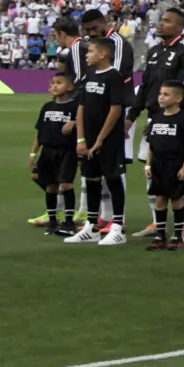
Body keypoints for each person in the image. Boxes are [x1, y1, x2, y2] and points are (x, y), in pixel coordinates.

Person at [135, 7, 184, 236]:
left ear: (180, 27)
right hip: (153, 118)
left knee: (178, 171)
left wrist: (173, 117)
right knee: (152, 168)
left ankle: (183, 225)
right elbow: (145, 86)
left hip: (175, 119)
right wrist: (131, 117)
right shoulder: (154, 51)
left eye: (167, 21)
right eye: (161, 20)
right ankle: (156, 223)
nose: (161, 24)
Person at [69, 37, 130, 245]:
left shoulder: (114, 77)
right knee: (91, 179)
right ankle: (92, 227)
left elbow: (115, 109)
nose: (86, 55)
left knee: (112, 178)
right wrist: (81, 139)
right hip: (88, 139)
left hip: (109, 140)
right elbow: (81, 107)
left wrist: (101, 139)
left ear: (102, 54)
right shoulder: (89, 74)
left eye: (90, 51)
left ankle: (118, 227)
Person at [141, 80, 184, 252]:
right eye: (160, 94)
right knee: (160, 199)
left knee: (176, 199)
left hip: (175, 163)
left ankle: (178, 235)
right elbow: (151, 144)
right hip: (158, 164)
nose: (161, 97)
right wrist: (148, 165)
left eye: (166, 94)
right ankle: (160, 235)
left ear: (178, 98)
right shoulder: (157, 117)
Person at [31, 69, 80, 236]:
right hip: (48, 151)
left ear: (69, 87)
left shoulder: (75, 107)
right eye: (52, 83)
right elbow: (40, 132)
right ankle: (52, 221)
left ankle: (69, 221)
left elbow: (84, 123)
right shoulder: (47, 107)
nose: (54, 86)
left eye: (59, 83)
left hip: (67, 150)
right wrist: (33, 154)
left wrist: (74, 124)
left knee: (66, 184)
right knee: (50, 186)